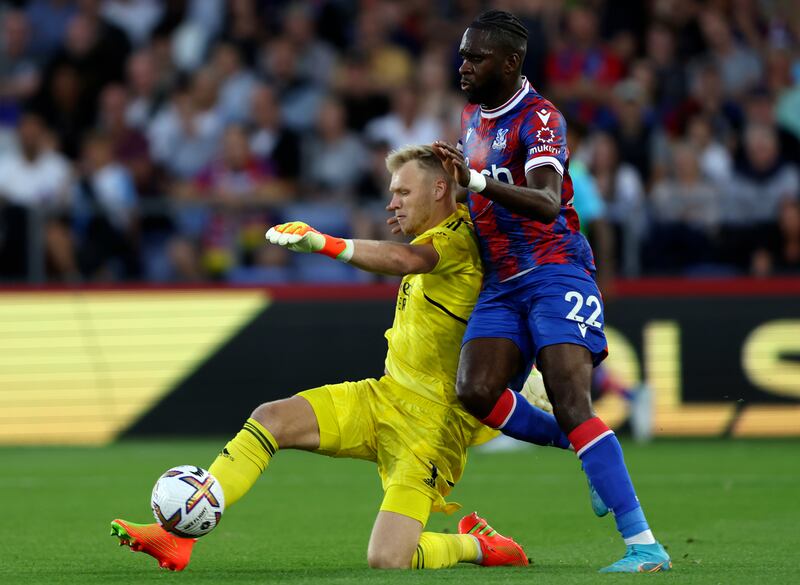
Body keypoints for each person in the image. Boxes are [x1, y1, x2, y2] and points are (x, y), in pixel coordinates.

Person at [109, 145, 529, 571]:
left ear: (441, 189)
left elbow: (405, 260)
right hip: (383, 397)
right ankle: (176, 535)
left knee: (388, 559)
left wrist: (327, 244)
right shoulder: (432, 239)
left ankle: (477, 545)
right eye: (392, 193)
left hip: (433, 429)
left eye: (402, 192)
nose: (391, 202)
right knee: (272, 418)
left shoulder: (459, 240)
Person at [431, 10, 671, 572]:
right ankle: (583, 449)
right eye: (462, 55)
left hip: (553, 269)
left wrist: (476, 180)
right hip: (500, 282)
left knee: (570, 397)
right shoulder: (471, 118)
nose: (462, 65)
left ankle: (644, 546)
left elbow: (544, 200)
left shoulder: (541, 119)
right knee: (476, 391)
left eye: (475, 57)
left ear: (510, 63)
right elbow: (479, 199)